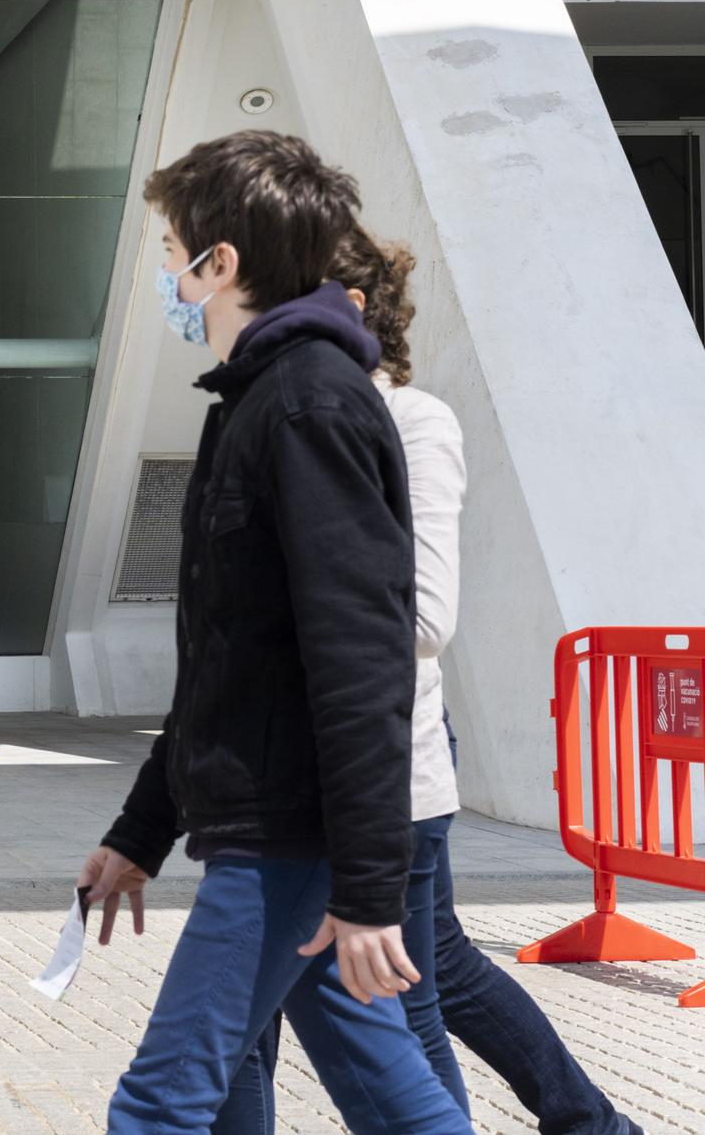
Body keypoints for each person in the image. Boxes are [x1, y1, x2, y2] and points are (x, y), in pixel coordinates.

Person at [211, 229, 643, 1135]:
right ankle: (593, 1125)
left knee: (356, 997)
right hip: (279, 767)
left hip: (377, 765)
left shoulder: (413, 425)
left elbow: (423, 618)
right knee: (388, 973)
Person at [83, 131, 467, 1133]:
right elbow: (228, 662)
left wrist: (369, 888)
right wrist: (137, 833)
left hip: (287, 836)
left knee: (161, 1103)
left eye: (171, 253)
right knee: (390, 1095)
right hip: (278, 826)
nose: (163, 276)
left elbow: (357, 658)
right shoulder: (256, 401)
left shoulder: (305, 405)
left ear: (221, 265)